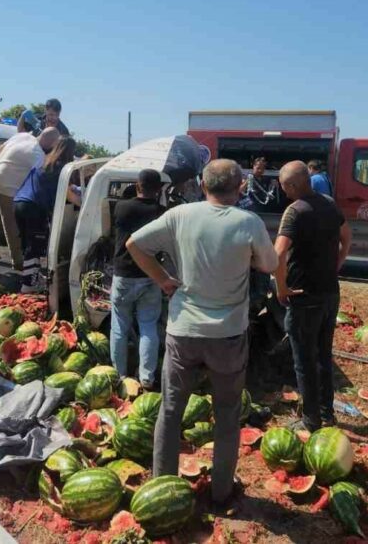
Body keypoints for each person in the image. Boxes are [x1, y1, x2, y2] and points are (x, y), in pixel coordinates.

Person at [126, 159, 278, 507]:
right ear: (240, 186)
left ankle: (162, 490)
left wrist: (163, 279)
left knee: (170, 410)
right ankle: (221, 494)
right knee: (226, 415)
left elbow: (134, 244)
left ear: (204, 185)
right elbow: (269, 264)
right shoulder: (248, 222)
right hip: (228, 336)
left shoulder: (181, 215)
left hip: (184, 331)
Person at [274, 161, 351, 432]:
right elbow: (347, 236)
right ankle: (327, 413)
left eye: (284, 187)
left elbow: (278, 253)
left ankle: (311, 420)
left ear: (294, 185)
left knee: (304, 361)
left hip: (304, 295)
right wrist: (337, 264)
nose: (283, 192)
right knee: (323, 355)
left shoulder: (295, 211)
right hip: (330, 292)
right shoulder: (329, 203)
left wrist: (281, 287)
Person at [109, 169, 166, 390]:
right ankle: (147, 379)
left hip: (123, 275)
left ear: (137, 185)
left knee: (119, 327)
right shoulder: (161, 212)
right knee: (148, 327)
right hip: (150, 275)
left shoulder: (121, 207)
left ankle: (119, 376)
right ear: (159, 189)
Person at [13, 136, 79, 292]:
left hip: (19, 202)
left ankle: (32, 278)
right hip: (34, 207)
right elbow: (70, 195)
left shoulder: (44, 162)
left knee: (28, 244)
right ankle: (28, 285)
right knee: (35, 244)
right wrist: (85, 205)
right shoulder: (61, 167)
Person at [0, 111, 45, 269]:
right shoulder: (38, 153)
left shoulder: (21, 136)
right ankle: (17, 261)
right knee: (11, 223)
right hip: (6, 185)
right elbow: (41, 176)